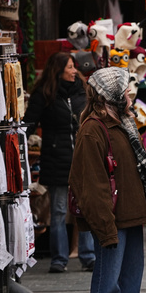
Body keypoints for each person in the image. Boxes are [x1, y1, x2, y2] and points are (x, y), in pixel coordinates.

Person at [70, 68, 146, 293]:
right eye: (125, 92)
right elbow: (92, 185)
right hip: (112, 221)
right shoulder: (92, 129)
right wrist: (105, 228)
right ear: (111, 95)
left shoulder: (123, 122)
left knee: (129, 283)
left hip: (132, 217)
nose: (129, 96)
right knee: (107, 284)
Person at [23, 52, 94, 273]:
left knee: (85, 209)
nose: (75, 71)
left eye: (74, 67)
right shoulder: (45, 94)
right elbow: (29, 124)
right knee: (59, 209)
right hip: (56, 158)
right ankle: (59, 259)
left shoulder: (84, 91)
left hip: (83, 157)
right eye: (71, 67)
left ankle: (88, 255)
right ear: (59, 69)